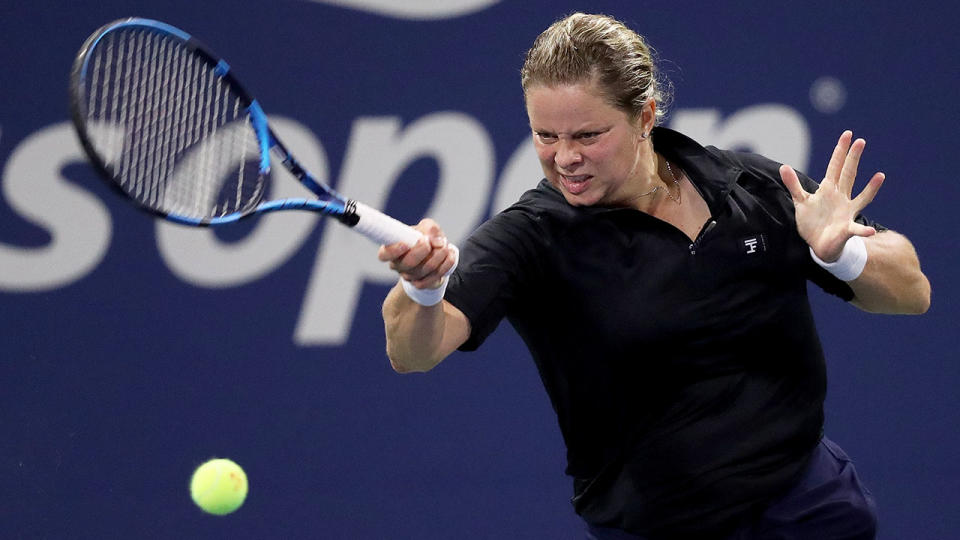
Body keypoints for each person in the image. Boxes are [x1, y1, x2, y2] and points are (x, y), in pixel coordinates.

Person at [378, 12, 930, 540]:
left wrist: (844, 256)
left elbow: (912, 293)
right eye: (545, 136)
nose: (564, 157)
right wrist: (421, 289)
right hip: (661, 527)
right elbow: (414, 351)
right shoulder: (533, 234)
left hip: (807, 504)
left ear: (645, 116)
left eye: (588, 135)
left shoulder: (748, 186)